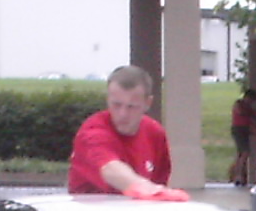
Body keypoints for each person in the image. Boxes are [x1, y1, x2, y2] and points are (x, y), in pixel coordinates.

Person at [67, 65, 190, 201]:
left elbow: (159, 182)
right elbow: (110, 168)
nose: (123, 114)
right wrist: (148, 189)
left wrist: (156, 193)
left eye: (132, 107)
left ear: (147, 103)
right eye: (116, 105)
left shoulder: (155, 134)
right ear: (108, 99)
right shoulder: (93, 132)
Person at [228, 85, 256, 187]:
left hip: (245, 130)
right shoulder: (239, 104)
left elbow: (254, 119)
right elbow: (241, 112)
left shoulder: (249, 108)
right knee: (244, 153)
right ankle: (237, 175)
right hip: (238, 129)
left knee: (242, 154)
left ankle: (240, 175)